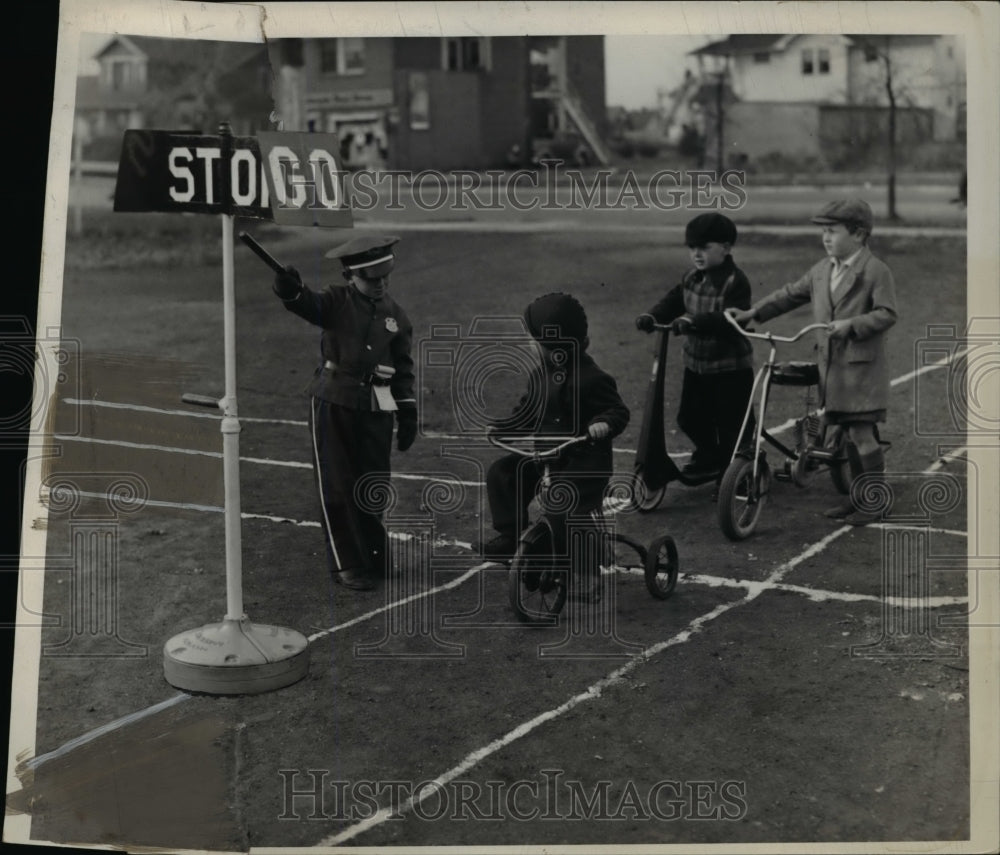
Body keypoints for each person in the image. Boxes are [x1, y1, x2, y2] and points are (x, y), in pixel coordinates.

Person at [728, 199, 898, 526]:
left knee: (862, 434)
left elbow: (887, 313)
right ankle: (858, 497)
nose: (826, 238)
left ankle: (876, 501)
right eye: (823, 231)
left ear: (860, 234)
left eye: (832, 231)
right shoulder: (822, 270)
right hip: (832, 370)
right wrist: (754, 313)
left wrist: (852, 325)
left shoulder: (875, 271)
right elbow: (790, 294)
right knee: (848, 435)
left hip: (861, 370)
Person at [272, 235, 418, 591]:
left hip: (376, 405)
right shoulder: (336, 302)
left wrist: (407, 410)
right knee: (337, 484)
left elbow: (403, 367)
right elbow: (307, 304)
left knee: (373, 484)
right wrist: (290, 289)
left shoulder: (396, 316)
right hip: (333, 399)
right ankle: (347, 563)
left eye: (384, 276)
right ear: (350, 275)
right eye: (371, 278)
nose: (380, 283)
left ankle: (373, 555)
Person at [481, 293, 630, 574]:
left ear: (553, 346)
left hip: (583, 465)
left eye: (533, 340)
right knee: (503, 474)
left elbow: (617, 411)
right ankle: (511, 536)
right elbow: (527, 413)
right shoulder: (540, 375)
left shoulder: (592, 378)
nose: (529, 344)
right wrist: (504, 429)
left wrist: (603, 424)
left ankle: (583, 569)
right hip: (547, 459)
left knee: (562, 506)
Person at [635, 213, 755, 490]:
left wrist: (694, 322)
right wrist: (652, 316)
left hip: (730, 368)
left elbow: (732, 317)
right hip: (697, 364)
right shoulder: (691, 277)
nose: (697, 254)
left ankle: (735, 473)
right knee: (689, 418)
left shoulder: (735, 281)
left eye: (704, 247)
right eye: (692, 248)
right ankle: (709, 455)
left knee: (732, 426)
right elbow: (674, 300)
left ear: (725, 248)